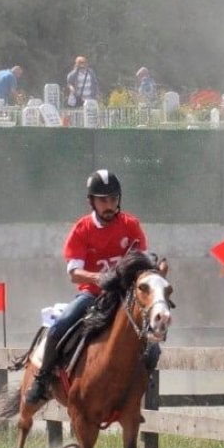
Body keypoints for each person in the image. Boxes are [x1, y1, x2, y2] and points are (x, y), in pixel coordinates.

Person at [26, 170, 157, 406]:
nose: (109, 205)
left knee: (154, 337)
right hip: (91, 296)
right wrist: (99, 278)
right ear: (92, 202)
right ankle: (42, 378)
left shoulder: (131, 225)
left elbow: (143, 262)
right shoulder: (82, 229)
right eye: (103, 200)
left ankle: (142, 381)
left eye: (113, 199)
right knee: (59, 327)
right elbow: (74, 273)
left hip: (125, 297)